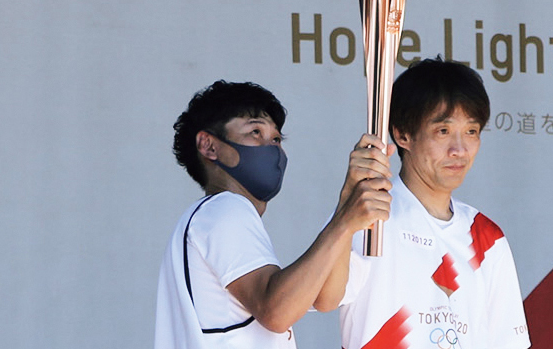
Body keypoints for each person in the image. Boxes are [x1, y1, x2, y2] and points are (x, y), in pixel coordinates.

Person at [154, 80, 391, 349]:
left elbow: (328, 295)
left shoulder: (212, 217)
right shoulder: (224, 210)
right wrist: (344, 221)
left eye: (276, 139)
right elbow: (276, 311)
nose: (272, 147)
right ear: (209, 146)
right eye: (255, 132)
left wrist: (349, 199)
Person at [316, 58, 531, 349]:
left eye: (471, 131)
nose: (459, 150)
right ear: (403, 134)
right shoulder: (368, 217)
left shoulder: (487, 238)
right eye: (443, 131)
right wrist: (344, 214)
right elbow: (326, 298)